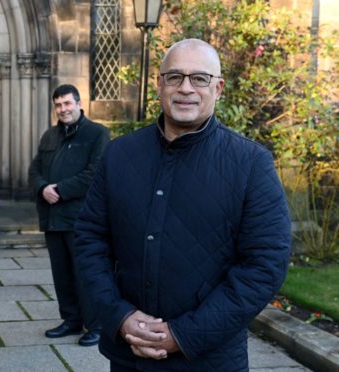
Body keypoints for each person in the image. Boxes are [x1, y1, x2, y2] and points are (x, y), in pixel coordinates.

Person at [74, 39, 292, 371]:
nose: (185, 88)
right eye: (174, 77)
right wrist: (119, 316)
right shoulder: (119, 155)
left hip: (209, 359)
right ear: (159, 85)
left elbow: (265, 265)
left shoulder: (250, 164)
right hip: (129, 356)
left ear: (218, 88)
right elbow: (89, 239)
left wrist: (185, 333)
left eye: (199, 78)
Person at [28, 84, 110, 346]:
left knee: (85, 274)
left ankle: (96, 325)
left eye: (67, 103)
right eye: (58, 105)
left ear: (78, 103)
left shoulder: (97, 133)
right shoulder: (49, 136)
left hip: (80, 218)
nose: (63, 109)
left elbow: (95, 173)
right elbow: (35, 169)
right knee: (61, 274)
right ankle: (71, 320)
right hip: (52, 218)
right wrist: (42, 188)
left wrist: (60, 190)